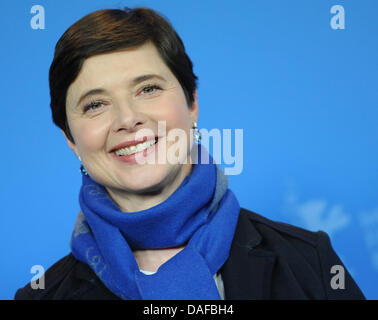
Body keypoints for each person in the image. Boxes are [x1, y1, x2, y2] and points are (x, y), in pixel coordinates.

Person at [15, 7, 365, 300]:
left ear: (192, 103)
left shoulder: (311, 263)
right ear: (70, 139)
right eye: (95, 104)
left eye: (148, 88)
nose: (127, 119)